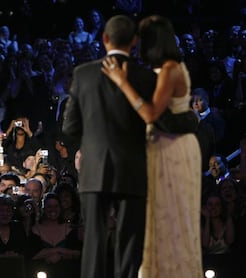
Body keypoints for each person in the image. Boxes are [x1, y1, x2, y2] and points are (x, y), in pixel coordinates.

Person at [101, 15, 203, 277]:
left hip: (172, 150)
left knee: (172, 216)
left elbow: (151, 114)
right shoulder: (168, 67)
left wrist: (121, 81)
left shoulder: (170, 69)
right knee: (160, 216)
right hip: (163, 146)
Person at [62, 14, 157, 278]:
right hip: (133, 170)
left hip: (95, 167)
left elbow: (70, 127)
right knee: (129, 244)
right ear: (134, 42)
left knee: (93, 241)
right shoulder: (146, 77)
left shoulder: (83, 74)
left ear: (104, 38)